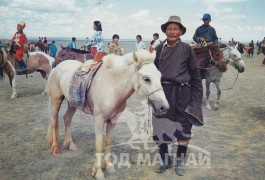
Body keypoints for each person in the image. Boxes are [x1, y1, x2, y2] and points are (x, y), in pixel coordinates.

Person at [153, 15, 203, 176]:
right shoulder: (159, 49)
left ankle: (180, 162)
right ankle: (165, 160)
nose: (172, 32)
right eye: (169, 29)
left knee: (183, 128)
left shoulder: (187, 49)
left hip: (183, 94)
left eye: (175, 29)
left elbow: (195, 77)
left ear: (180, 32)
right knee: (160, 127)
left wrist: (195, 101)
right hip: (162, 94)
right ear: (165, 31)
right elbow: (152, 74)